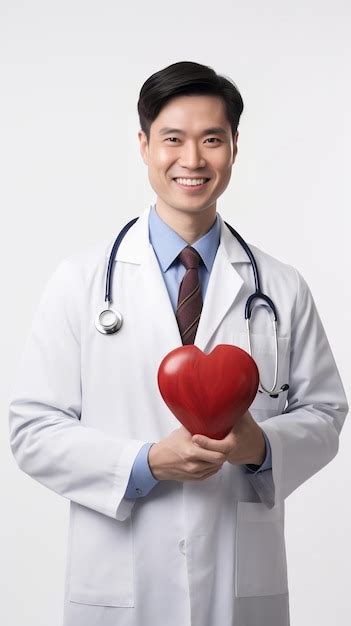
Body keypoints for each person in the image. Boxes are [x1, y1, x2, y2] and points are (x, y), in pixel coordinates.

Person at [8, 60, 348, 626]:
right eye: (173, 139)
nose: (192, 160)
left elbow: (326, 412)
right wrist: (144, 463)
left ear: (235, 147)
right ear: (143, 145)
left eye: (212, 140)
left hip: (240, 588)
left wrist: (259, 447)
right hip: (119, 583)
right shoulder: (81, 281)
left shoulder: (280, 286)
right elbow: (33, 429)